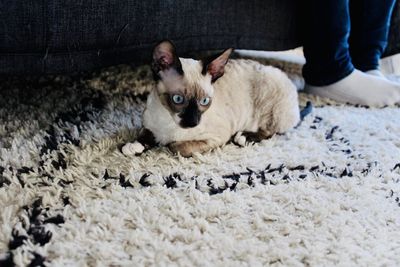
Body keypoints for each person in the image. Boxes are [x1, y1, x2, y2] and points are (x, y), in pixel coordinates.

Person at [302, 0, 400, 107]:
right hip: (329, 70)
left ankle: (365, 63)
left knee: (366, 60)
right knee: (330, 68)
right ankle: (329, 71)